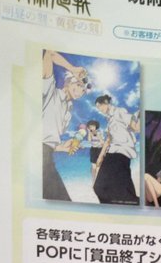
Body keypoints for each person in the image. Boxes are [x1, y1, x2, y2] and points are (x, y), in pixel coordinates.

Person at [41, 50, 91, 202]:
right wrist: (73, 69)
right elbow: (49, 54)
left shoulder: (68, 112)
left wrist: (62, 147)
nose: (80, 91)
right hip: (36, 154)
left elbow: (48, 141)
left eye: (83, 90)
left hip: (46, 155)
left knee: (59, 200)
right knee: (60, 200)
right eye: (79, 85)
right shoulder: (50, 91)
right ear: (68, 82)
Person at [92, 94, 139, 205]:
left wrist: (139, 114)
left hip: (122, 152)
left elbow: (135, 127)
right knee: (122, 187)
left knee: (100, 187)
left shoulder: (119, 111)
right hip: (113, 152)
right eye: (97, 108)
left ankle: (131, 206)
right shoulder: (109, 120)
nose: (99, 109)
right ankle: (131, 206)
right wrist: (100, 157)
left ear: (106, 102)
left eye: (100, 106)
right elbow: (108, 139)